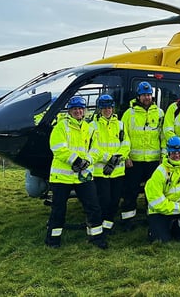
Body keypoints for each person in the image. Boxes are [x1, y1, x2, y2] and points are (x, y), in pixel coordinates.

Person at [45, 95, 107, 249]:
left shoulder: (89, 128)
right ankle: (53, 240)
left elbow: (97, 149)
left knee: (93, 207)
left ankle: (96, 238)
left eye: (80, 109)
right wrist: (76, 160)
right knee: (58, 209)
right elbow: (58, 148)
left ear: (84, 111)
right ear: (70, 111)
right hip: (62, 177)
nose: (78, 111)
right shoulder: (61, 127)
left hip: (83, 176)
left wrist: (88, 160)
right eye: (75, 109)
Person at [118, 81, 165, 230]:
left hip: (153, 160)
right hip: (135, 161)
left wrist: (163, 156)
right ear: (138, 96)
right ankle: (127, 220)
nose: (147, 97)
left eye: (149, 94)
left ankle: (151, 216)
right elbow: (123, 137)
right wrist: (126, 157)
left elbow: (163, 137)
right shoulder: (129, 114)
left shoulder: (159, 113)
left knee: (152, 190)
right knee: (130, 190)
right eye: (144, 95)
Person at [89, 94, 131, 235]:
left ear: (113, 108)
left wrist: (117, 158)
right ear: (99, 109)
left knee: (114, 201)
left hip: (118, 171)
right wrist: (109, 158)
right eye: (104, 108)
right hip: (101, 171)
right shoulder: (92, 126)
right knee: (104, 200)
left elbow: (126, 144)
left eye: (109, 107)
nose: (107, 110)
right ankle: (99, 226)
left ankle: (108, 226)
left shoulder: (120, 124)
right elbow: (93, 148)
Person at [144, 136, 180, 242]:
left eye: (179, 152)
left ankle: (176, 231)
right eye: (174, 153)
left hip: (178, 205)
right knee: (160, 240)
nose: (177, 155)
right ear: (168, 153)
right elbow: (157, 203)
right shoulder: (160, 171)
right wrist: (179, 206)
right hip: (160, 210)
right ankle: (156, 230)